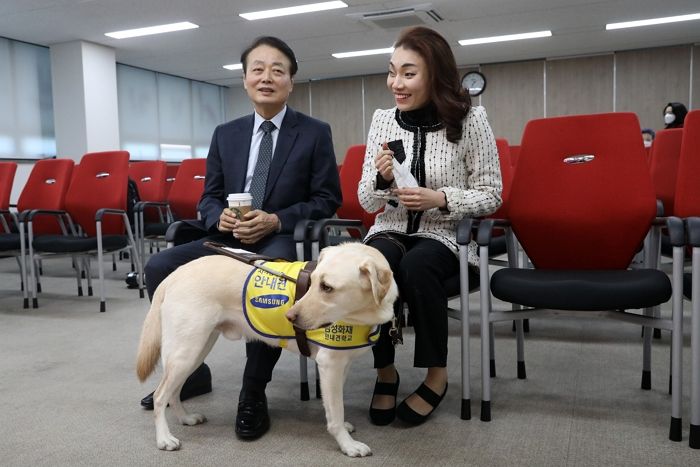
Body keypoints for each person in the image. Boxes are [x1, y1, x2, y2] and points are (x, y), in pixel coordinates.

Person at [138, 36, 342, 441]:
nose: (267, 77)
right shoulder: (226, 133)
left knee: (269, 286)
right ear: (246, 79)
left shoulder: (314, 132)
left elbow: (327, 199)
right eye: (258, 69)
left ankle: (253, 391)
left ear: (291, 82)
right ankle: (191, 372)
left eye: (277, 70)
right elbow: (208, 197)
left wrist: (275, 220)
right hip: (227, 240)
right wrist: (223, 218)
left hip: (277, 239)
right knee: (160, 265)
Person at [358, 26, 502, 426]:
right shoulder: (383, 121)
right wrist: (383, 182)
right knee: (371, 266)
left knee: (417, 267)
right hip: (389, 228)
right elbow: (366, 202)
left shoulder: (471, 119)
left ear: (435, 75)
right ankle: (385, 371)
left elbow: (492, 193)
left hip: (443, 235)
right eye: (392, 72)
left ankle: (436, 375)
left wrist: (441, 199)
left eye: (408, 73)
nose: (396, 84)